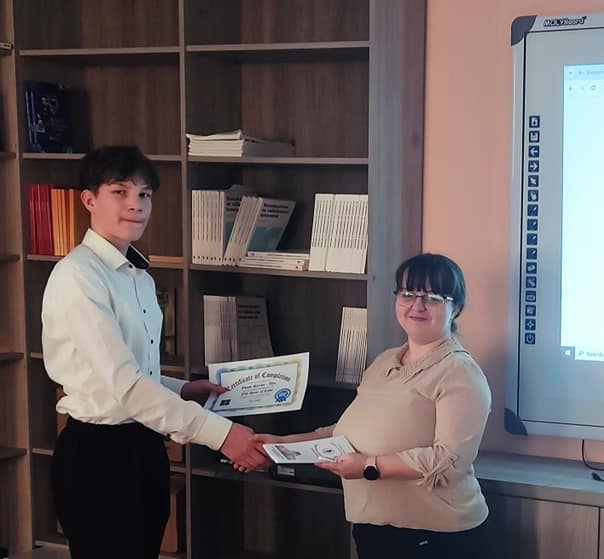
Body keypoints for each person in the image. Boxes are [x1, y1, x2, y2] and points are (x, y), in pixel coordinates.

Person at [42, 146, 269, 559]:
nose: (136, 205)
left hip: (145, 446)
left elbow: (131, 372)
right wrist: (222, 436)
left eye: (144, 194)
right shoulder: (78, 276)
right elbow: (125, 385)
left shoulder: (139, 277)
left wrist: (182, 389)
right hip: (96, 455)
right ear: (89, 199)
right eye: (120, 192)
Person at [255, 253, 492, 558]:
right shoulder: (384, 361)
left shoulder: (459, 371)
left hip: (435, 535)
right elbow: (345, 431)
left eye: (433, 298)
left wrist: (369, 465)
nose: (417, 305)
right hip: (374, 526)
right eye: (408, 294)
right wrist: (282, 444)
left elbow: (448, 461)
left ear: (455, 307)